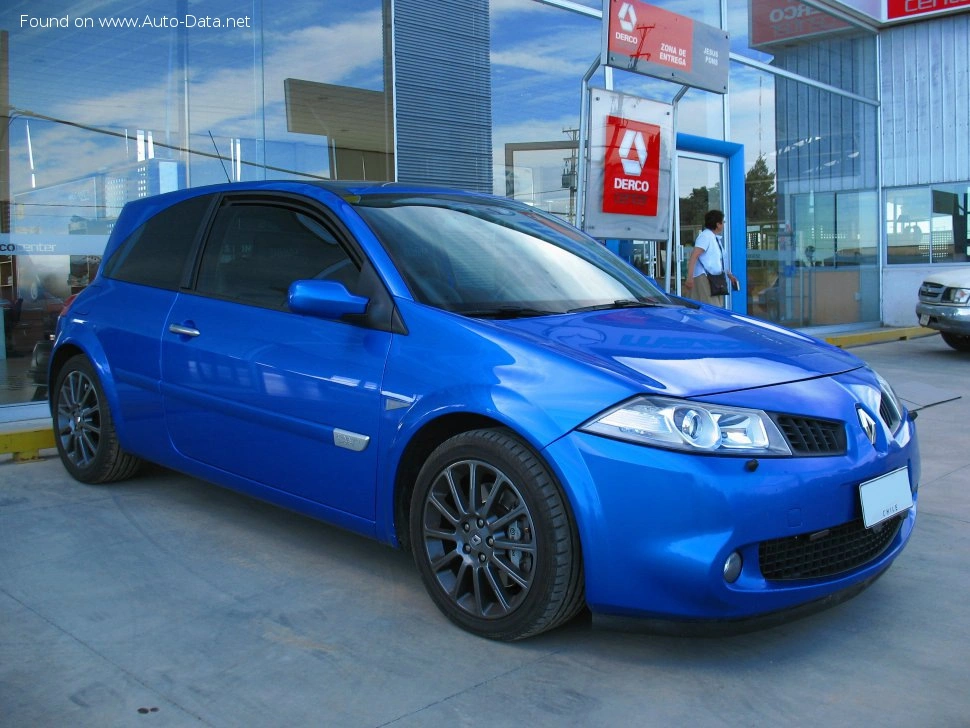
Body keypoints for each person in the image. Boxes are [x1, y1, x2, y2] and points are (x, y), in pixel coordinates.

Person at [685, 209, 737, 306]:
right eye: (723, 222)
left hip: (715, 279)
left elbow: (718, 261)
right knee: (710, 307)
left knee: (716, 306)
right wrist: (690, 278)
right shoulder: (705, 237)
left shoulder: (714, 238)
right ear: (718, 224)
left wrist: (729, 275)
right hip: (704, 277)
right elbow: (694, 256)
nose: (724, 224)